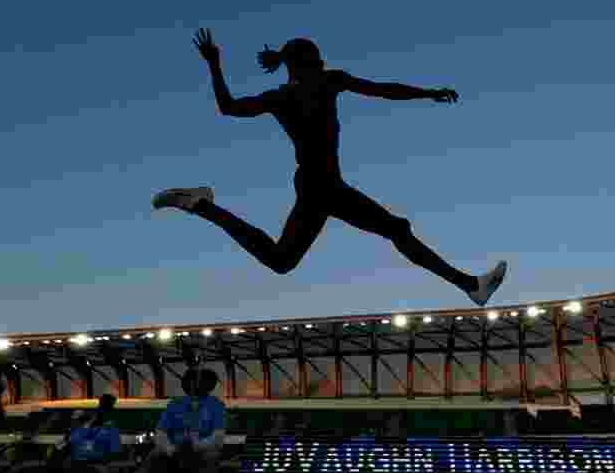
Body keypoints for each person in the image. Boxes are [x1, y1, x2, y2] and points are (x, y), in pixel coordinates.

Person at [153, 28, 507, 307]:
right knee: (397, 230)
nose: (322, 62)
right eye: (317, 58)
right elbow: (382, 89)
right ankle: (469, 285)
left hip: (316, 185)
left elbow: (228, 107)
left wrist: (214, 64)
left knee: (282, 260)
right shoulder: (318, 84)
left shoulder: (291, 94)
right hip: (322, 186)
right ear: (308, 63)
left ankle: (200, 205)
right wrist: (428, 93)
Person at [129, 368, 226, 473]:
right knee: (153, 458)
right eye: (193, 381)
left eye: (203, 381)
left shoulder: (216, 405)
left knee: (211, 458)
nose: (196, 385)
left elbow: (217, 437)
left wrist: (195, 446)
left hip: (201, 451)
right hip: (173, 451)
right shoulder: (175, 404)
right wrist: (171, 450)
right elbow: (160, 433)